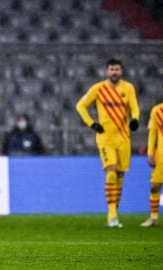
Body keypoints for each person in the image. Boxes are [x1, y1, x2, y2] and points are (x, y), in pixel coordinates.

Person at [76, 58, 140, 228]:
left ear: (121, 71)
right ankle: (112, 215)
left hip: (124, 139)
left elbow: (134, 106)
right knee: (111, 173)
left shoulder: (128, 88)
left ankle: (114, 211)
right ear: (107, 71)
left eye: (117, 69)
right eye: (111, 69)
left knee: (120, 176)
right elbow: (80, 106)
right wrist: (92, 124)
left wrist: (135, 119)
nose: (114, 72)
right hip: (105, 139)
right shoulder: (98, 89)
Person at [140, 103, 163, 227]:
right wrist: (150, 153)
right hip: (161, 156)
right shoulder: (157, 110)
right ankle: (154, 218)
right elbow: (152, 133)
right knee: (155, 186)